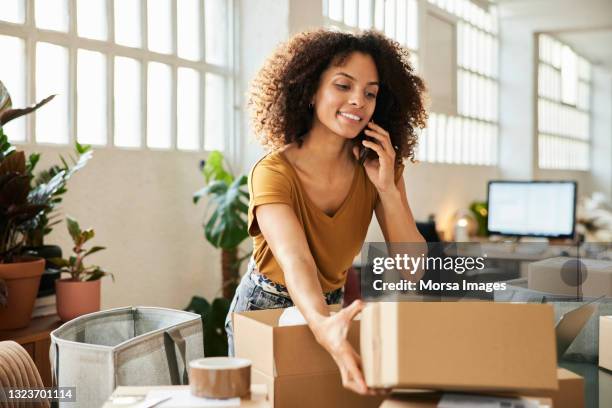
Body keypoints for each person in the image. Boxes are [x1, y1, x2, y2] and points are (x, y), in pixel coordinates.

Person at [224, 29, 427, 395]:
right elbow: (295, 259)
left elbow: (414, 269)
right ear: (310, 89)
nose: (358, 102)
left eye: (370, 93)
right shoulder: (272, 172)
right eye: (343, 85)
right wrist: (321, 323)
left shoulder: (380, 167)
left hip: (331, 308)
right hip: (266, 306)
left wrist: (388, 192)